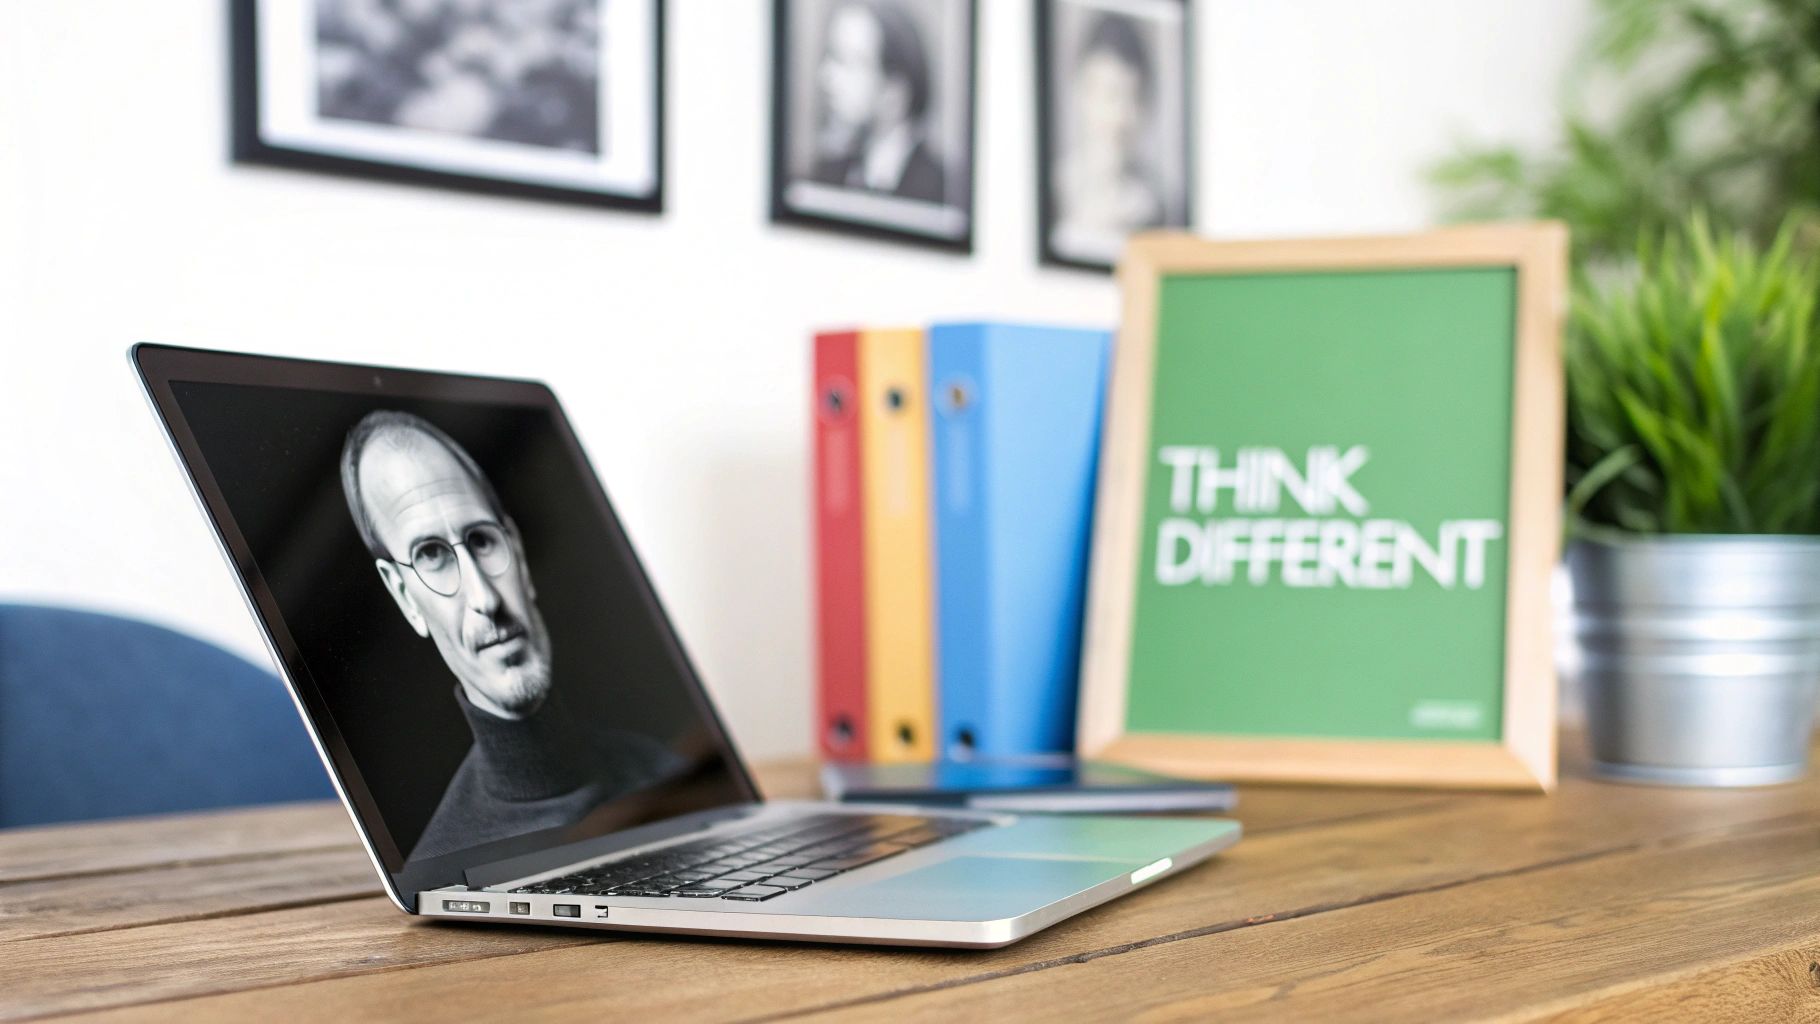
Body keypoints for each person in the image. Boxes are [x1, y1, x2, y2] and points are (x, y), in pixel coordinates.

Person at [340, 411, 673, 860]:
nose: (485, 598)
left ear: (515, 548)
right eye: (432, 554)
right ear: (405, 598)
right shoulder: (444, 864)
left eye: (481, 540)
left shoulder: (662, 768)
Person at [1050, 13, 1166, 261]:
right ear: (1080, 93)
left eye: (1133, 97)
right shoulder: (1054, 189)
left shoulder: (1157, 207)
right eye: (1109, 94)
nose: (1119, 116)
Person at [810, 0, 947, 204]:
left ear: (895, 91)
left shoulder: (941, 192)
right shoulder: (825, 176)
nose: (826, 77)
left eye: (848, 62)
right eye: (829, 56)